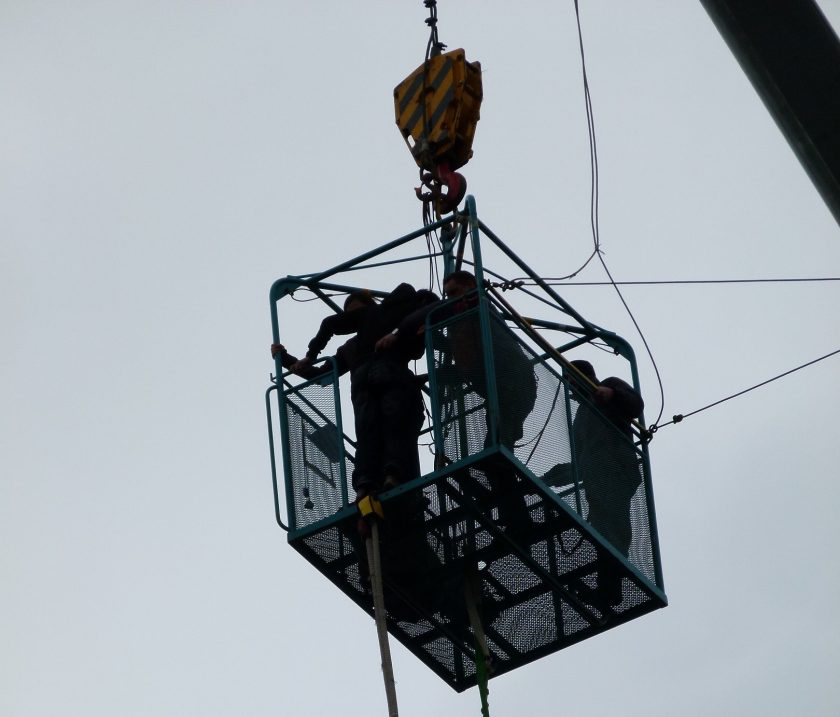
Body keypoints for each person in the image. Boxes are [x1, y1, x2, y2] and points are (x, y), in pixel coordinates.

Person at [378, 270, 538, 536]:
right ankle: (513, 516)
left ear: (468, 288)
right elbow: (466, 363)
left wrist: (400, 332)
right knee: (496, 455)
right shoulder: (470, 320)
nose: (450, 297)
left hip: (512, 386)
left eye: (453, 291)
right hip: (505, 390)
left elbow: (435, 317)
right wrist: (427, 372)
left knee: (495, 455)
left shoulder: (475, 305)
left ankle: (514, 516)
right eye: (448, 293)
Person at [567, 359, 644, 607]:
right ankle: (608, 588)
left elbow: (635, 405)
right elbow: (581, 458)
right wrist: (559, 474)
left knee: (612, 524)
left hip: (616, 468)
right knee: (604, 528)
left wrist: (611, 394)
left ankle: (612, 584)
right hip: (597, 475)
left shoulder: (608, 387)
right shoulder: (580, 417)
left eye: (571, 382)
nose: (569, 389)